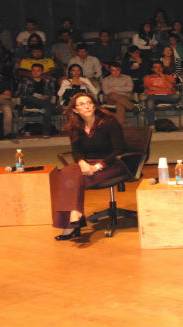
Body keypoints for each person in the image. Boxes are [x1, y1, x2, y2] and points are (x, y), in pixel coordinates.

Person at [52, 92, 124, 241]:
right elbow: (77, 151)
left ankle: (72, 223)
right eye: (82, 104)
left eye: (89, 102)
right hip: (87, 162)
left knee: (73, 182)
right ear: (74, 110)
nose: (87, 106)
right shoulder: (75, 126)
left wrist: (97, 167)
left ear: (94, 105)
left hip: (112, 163)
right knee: (65, 173)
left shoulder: (109, 122)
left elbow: (118, 150)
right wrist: (82, 163)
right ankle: (75, 215)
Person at [15, 63, 57, 137]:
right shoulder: (26, 80)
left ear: (42, 71)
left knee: (46, 110)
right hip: (31, 102)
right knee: (32, 98)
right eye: (33, 70)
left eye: (38, 70)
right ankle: (52, 107)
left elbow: (52, 92)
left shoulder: (48, 80)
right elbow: (22, 94)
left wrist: (46, 96)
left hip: (42, 108)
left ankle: (46, 132)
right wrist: (37, 96)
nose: (35, 72)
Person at [143, 60, 178, 130]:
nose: (158, 69)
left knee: (177, 96)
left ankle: (140, 106)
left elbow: (171, 87)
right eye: (155, 67)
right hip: (154, 97)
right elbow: (150, 88)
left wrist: (163, 77)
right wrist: (165, 89)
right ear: (152, 69)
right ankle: (151, 126)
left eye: (160, 67)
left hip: (168, 96)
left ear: (162, 68)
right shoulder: (148, 78)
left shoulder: (170, 77)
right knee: (150, 102)